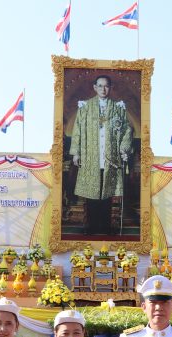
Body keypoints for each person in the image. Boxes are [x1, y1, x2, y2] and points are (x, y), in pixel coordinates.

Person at [69, 74, 133, 235]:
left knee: (107, 193)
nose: (103, 89)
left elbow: (127, 129)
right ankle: (91, 226)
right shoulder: (85, 107)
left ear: (110, 88)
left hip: (110, 157)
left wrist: (124, 149)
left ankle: (105, 226)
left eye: (106, 86)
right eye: (100, 86)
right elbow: (77, 130)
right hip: (90, 156)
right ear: (95, 87)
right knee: (92, 193)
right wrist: (76, 153)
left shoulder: (118, 108)